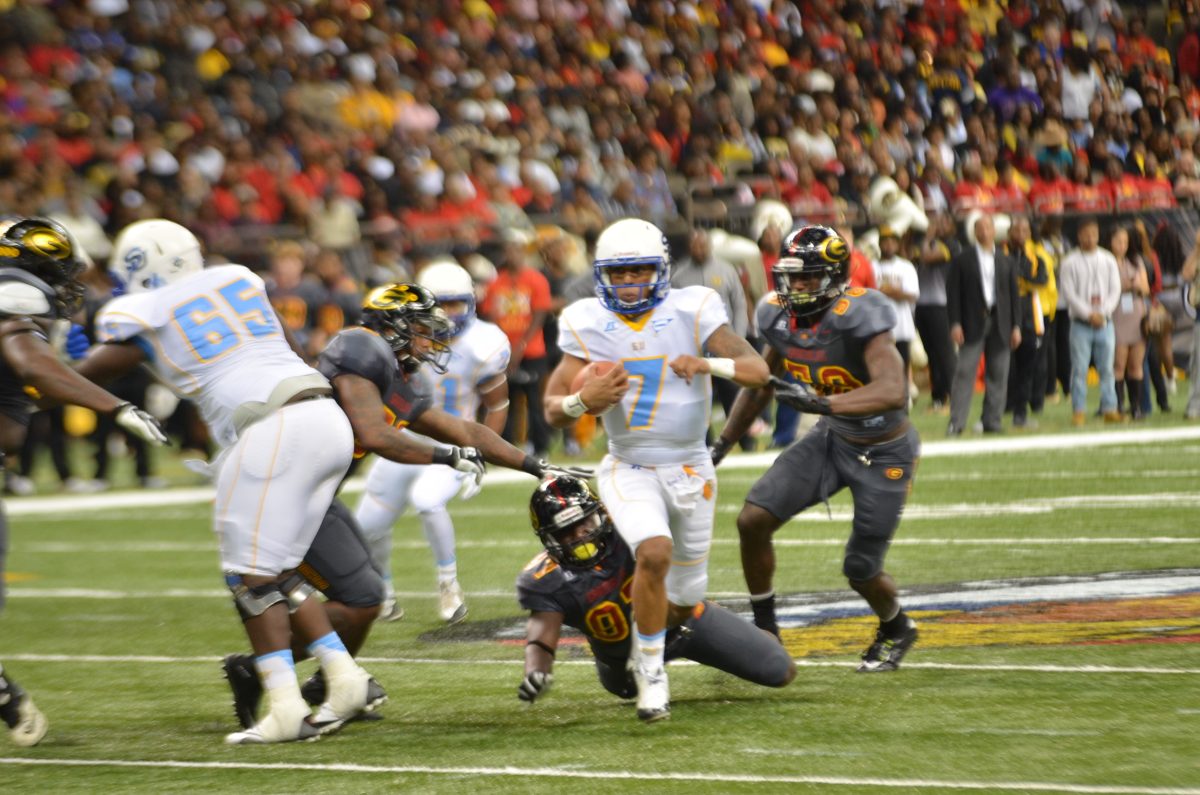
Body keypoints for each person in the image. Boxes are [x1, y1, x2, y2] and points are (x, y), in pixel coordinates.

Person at [221, 279, 584, 733]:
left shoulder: (395, 374)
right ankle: (298, 681)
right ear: (391, 326)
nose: (430, 339)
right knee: (308, 592)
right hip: (282, 492)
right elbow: (375, 433)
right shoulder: (360, 347)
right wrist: (447, 456)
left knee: (364, 599)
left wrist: (537, 466)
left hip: (314, 495)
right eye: (420, 327)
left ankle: (302, 678)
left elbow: (464, 430)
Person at [75, 218, 381, 745]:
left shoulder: (141, 309)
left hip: (268, 428)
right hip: (323, 416)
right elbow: (286, 350)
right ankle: (346, 679)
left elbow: (82, 375)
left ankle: (285, 707)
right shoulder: (238, 280)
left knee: (247, 575)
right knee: (279, 568)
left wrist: (57, 354)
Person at [543, 217, 770, 722]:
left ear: (661, 271)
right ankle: (651, 673)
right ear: (602, 275)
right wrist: (585, 401)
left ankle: (637, 642)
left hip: (691, 466)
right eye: (618, 274)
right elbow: (553, 408)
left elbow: (759, 371)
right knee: (653, 551)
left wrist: (707, 364)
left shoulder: (694, 306)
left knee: (686, 600)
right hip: (628, 464)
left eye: (639, 272)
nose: (628, 284)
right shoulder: (585, 319)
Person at [712, 225, 920, 673]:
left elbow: (892, 389)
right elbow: (759, 385)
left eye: (807, 277)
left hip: (884, 449)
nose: (796, 286)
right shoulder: (777, 317)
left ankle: (896, 624)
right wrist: (724, 443)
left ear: (834, 275)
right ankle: (766, 625)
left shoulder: (860, 312)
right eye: (791, 276)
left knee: (861, 569)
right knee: (752, 519)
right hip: (833, 437)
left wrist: (825, 402)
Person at [0, 217, 168, 747]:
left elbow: (32, 392)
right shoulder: (17, 292)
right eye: (64, 273)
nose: (70, 287)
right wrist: (114, 406)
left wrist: (76, 376)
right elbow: (30, 364)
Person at [516, 474, 795, 705]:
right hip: (622, 661)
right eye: (566, 532)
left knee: (779, 670)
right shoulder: (546, 578)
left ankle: (745, 628)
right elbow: (542, 635)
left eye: (583, 523)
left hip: (684, 624)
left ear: (600, 514)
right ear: (548, 540)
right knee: (627, 692)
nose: (580, 536)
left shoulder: (632, 527)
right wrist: (536, 670)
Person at [354, 261, 511, 624]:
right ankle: (384, 594)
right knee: (368, 526)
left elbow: (497, 404)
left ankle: (449, 587)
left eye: (454, 304)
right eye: (439, 305)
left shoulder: (482, 343)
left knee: (427, 500)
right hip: (404, 440)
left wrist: (481, 453)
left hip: (454, 445)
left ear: (471, 302)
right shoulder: (396, 338)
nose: (447, 314)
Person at [670, 227, 751, 445]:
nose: (699, 249)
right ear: (689, 247)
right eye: (695, 245)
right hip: (693, 346)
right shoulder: (678, 276)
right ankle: (704, 442)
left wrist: (739, 337)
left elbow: (739, 304)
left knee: (733, 394)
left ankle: (744, 441)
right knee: (698, 396)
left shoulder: (726, 270)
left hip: (723, 343)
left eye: (702, 244)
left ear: (709, 246)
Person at [946, 214, 1021, 435]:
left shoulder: (1006, 260)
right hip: (972, 321)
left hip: (1001, 320)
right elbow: (953, 295)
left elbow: (1013, 296)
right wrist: (955, 323)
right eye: (979, 228)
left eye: (988, 227)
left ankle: (992, 420)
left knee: (999, 373)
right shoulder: (962, 259)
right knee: (964, 372)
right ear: (974, 232)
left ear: (993, 231)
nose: (984, 232)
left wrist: (1016, 325)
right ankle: (956, 422)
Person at [481, 230, 552, 459]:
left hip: (532, 350)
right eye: (508, 249)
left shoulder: (536, 279)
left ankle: (540, 445)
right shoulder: (496, 283)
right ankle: (506, 445)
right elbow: (490, 315)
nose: (511, 254)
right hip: (503, 350)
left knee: (534, 400)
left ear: (523, 252)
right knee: (504, 399)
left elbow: (540, 314)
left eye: (516, 249)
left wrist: (521, 345)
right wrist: (503, 345)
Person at [1058, 218, 1122, 426]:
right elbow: (1069, 294)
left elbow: (1115, 290)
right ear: (1079, 235)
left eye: (1093, 233)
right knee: (1079, 369)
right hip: (1080, 324)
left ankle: (1109, 407)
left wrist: (1102, 313)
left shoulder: (1108, 259)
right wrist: (1088, 314)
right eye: (1086, 233)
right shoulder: (1069, 262)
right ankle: (1078, 409)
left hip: (1105, 323)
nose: (1090, 238)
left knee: (1107, 369)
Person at [1006, 215, 1055, 429]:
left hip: (1028, 314)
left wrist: (1021, 280)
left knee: (1027, 365)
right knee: (1005, 365)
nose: (1020, 235)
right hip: (1005, 312)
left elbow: (1041, 281)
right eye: (1016, 230)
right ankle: (1001, 408)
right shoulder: (1002, 254)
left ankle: (1021, 412)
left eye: (1024, 230)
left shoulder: (1037, 257)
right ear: (1009, 233)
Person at [872, 227, 920, 401]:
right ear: (879, 244)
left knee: (902, 366)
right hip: (879, 327)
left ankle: (903, 400)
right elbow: (869, 294)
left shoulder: (905, 266)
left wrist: (887, 291)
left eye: (892, 241)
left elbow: (912, 294)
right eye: (885, 241)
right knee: (881, 368)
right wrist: (893, 291)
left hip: (902, 326)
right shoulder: (873, 266)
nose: (889, 245)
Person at [1107, 226, 1150, 419]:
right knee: (1119, 363)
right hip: (1117, 315)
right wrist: (1123, 286)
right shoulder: (1107, 262)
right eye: (1118, 241)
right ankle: (1118, 405)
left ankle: (1136, 407)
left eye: (1125, 241)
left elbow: (1146, 288)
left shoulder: (1136, 261)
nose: (1122, 245)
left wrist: (1137, 286)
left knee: (1136, 364)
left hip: (1136, 314)